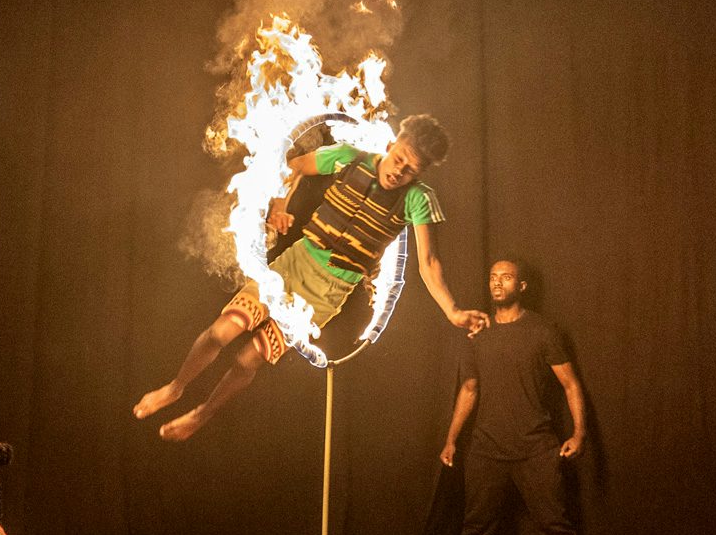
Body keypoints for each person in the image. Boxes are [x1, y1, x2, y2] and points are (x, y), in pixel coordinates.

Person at [134, 114, 489, 440]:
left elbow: (428, 263)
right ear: (394, 143)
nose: (400, 171)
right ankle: (177, 386)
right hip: (294, 264)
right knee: (222, 330)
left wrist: (453, 311)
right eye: (401, 158)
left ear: (420, 173)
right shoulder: (351, 157)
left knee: (249, 359)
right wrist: (279, 205)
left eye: (412, 169)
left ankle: (202, 414)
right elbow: (295, 166)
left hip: (327, 294)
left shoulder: (418, 199)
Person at [426, 260, 596, 535]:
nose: (496, 283)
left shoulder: (543, 331)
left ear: (521, 286)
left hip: (536, 447)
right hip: (488, 447)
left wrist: (579, 432)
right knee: (475, 525)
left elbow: (570, 385)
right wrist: (451, 439)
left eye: (505, 277)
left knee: (556, 525)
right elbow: (469, 388)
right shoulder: (478, 333)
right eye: (492, 277)